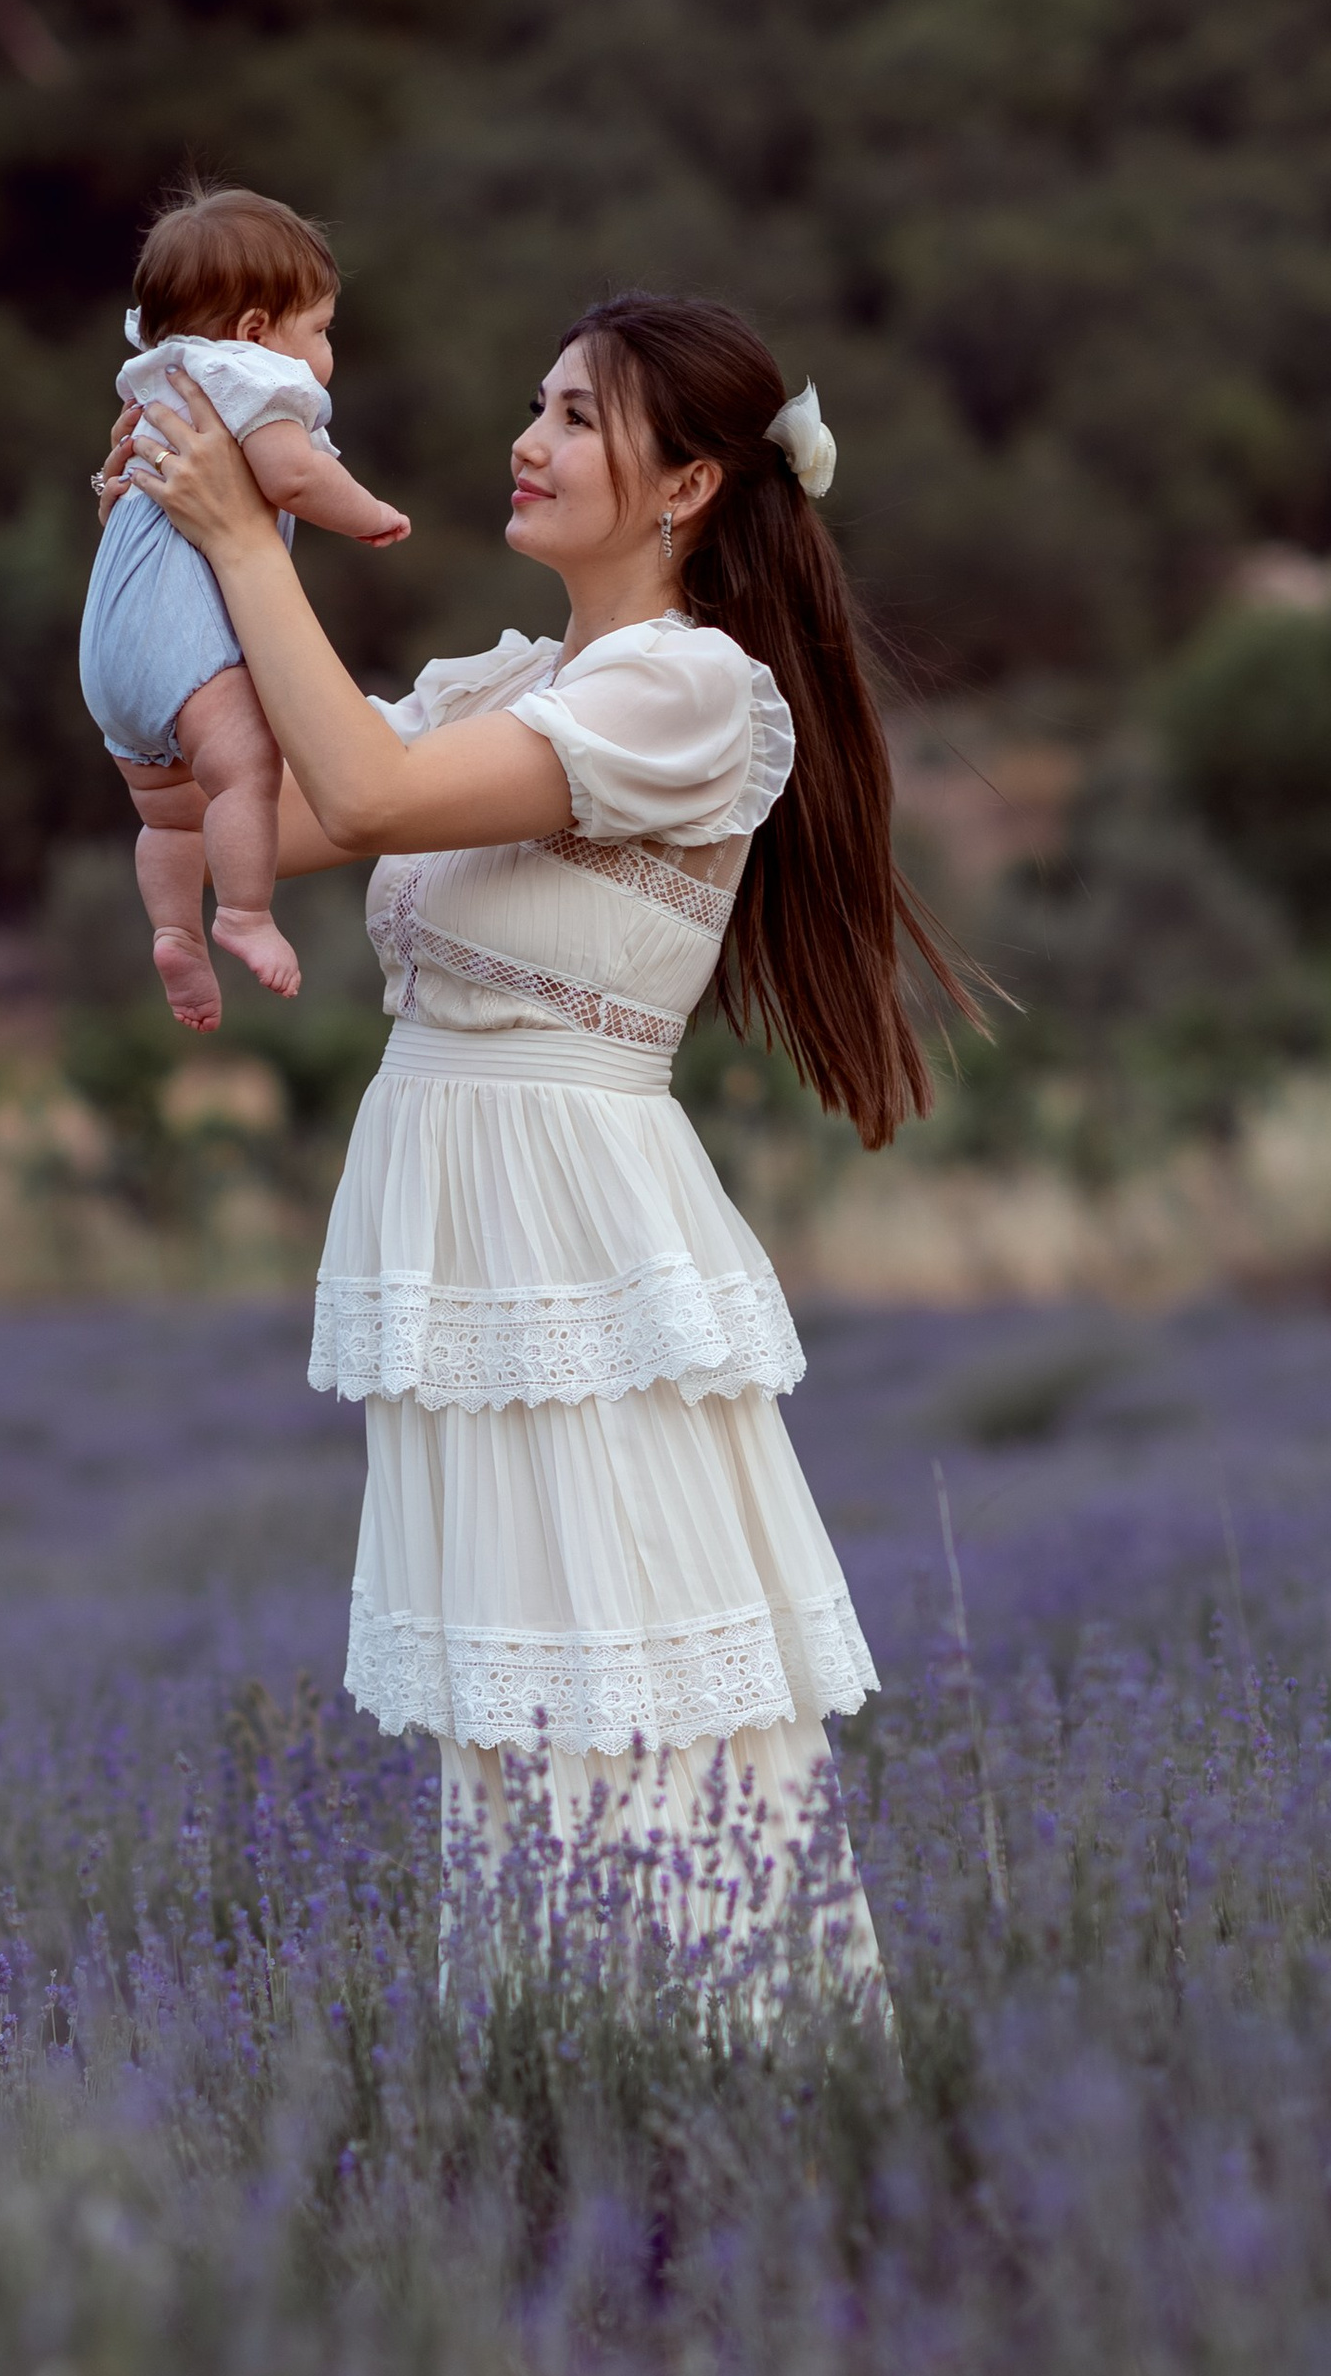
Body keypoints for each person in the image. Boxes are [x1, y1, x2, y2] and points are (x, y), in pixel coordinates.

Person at [106, 290, 970, 2000]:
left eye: (578, 417)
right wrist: (163, 535)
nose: (531, 440)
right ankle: (562, 2092)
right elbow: (256, 771)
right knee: (517, 1703)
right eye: (539, 403)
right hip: (461, 1222)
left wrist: (242, 537)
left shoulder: (689, 693)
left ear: (691, 485)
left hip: (575, 1230)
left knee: (628, 1666)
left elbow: (363, 801)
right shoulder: (511, 682)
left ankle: (726, 2080)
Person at [80, 183, 411, 1032]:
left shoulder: (159, 375)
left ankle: (171, 930)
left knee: (169, 811)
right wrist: (370, 512)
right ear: (259, 329)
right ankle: (243, 915)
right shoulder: (246, 375)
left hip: (109, 642)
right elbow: (294, 475)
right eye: (322, 329)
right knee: (246, 771)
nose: (326, 351)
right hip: (181, 637)